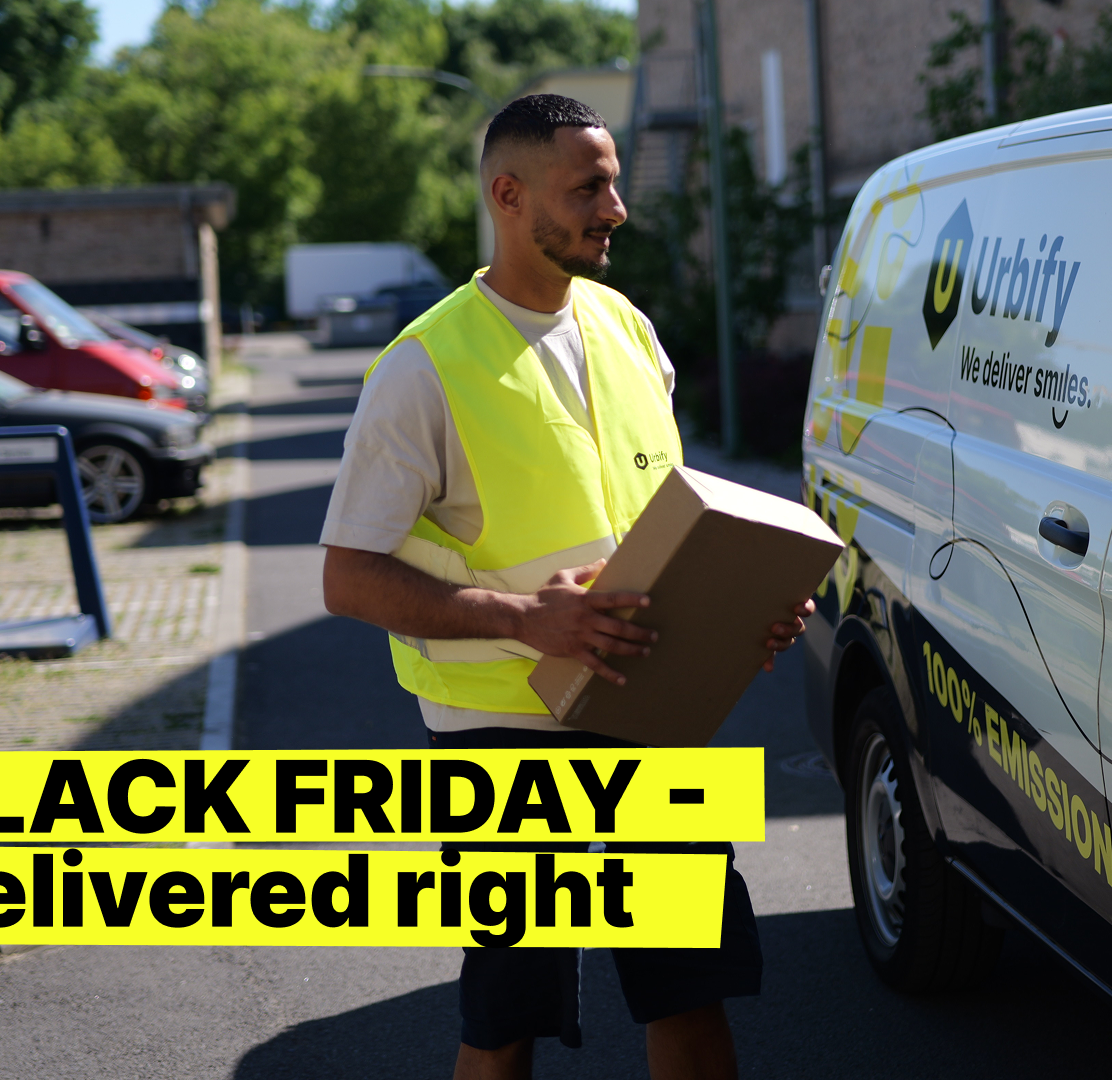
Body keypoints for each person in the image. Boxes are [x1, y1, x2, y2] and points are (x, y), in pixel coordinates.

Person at [321, 93, 813, 1080]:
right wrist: (528, 620)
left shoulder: (629, 330)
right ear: (508, 196)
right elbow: (348, 578)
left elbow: (668, 527)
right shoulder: (421, 368)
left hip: (650, 711)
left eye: (614, 183)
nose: (615, 207)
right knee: (508, 1018)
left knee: (690, 991)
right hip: (499, 738)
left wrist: (740, 606)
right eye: (588, 188)